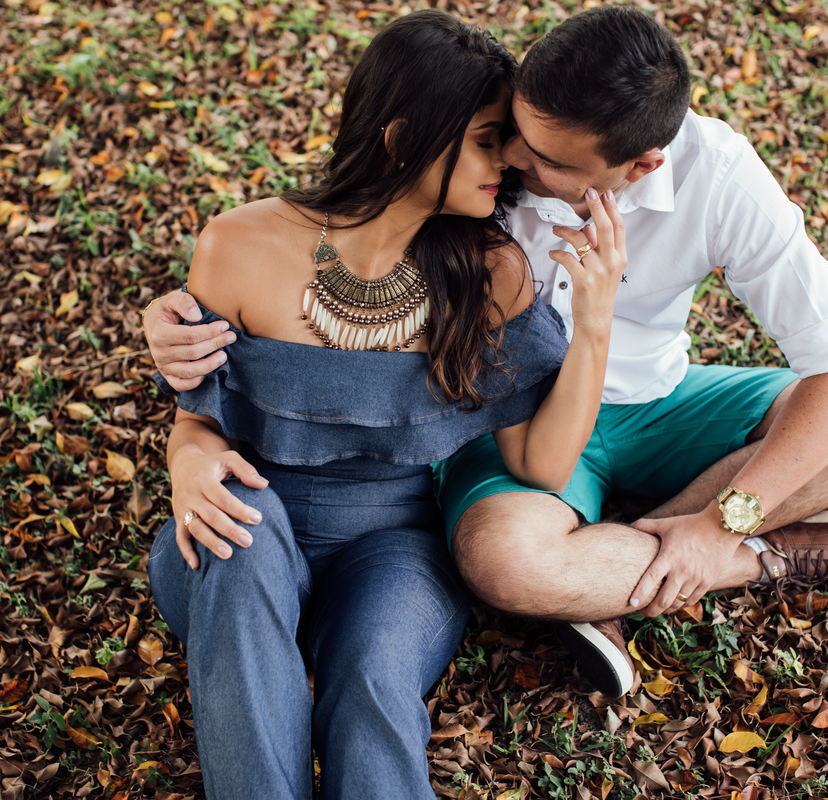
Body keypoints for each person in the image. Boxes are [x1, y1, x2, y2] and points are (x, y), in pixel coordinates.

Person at [144, 6, 828, 703]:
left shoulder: (717, 176)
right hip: (520, 429)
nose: (514, 158)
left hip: (656, 399)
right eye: (507, 132)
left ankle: (651, 571)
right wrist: (176, 321)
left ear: (641, 165)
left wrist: (724, 524)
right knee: (507, 562)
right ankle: (747, 561)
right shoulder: (489, 158)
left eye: (548, 160)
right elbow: (347, 223)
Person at [145, 11, 626, 799]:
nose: (505, 161)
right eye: (484, 137)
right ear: (404, 138)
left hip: (394, 544)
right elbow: (197, 421)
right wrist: (189, 465)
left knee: (372, 678)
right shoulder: (238, 245)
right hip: (243, 528)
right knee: (243, 528)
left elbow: (538, 464)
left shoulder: (494, 272)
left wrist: (595, 325)